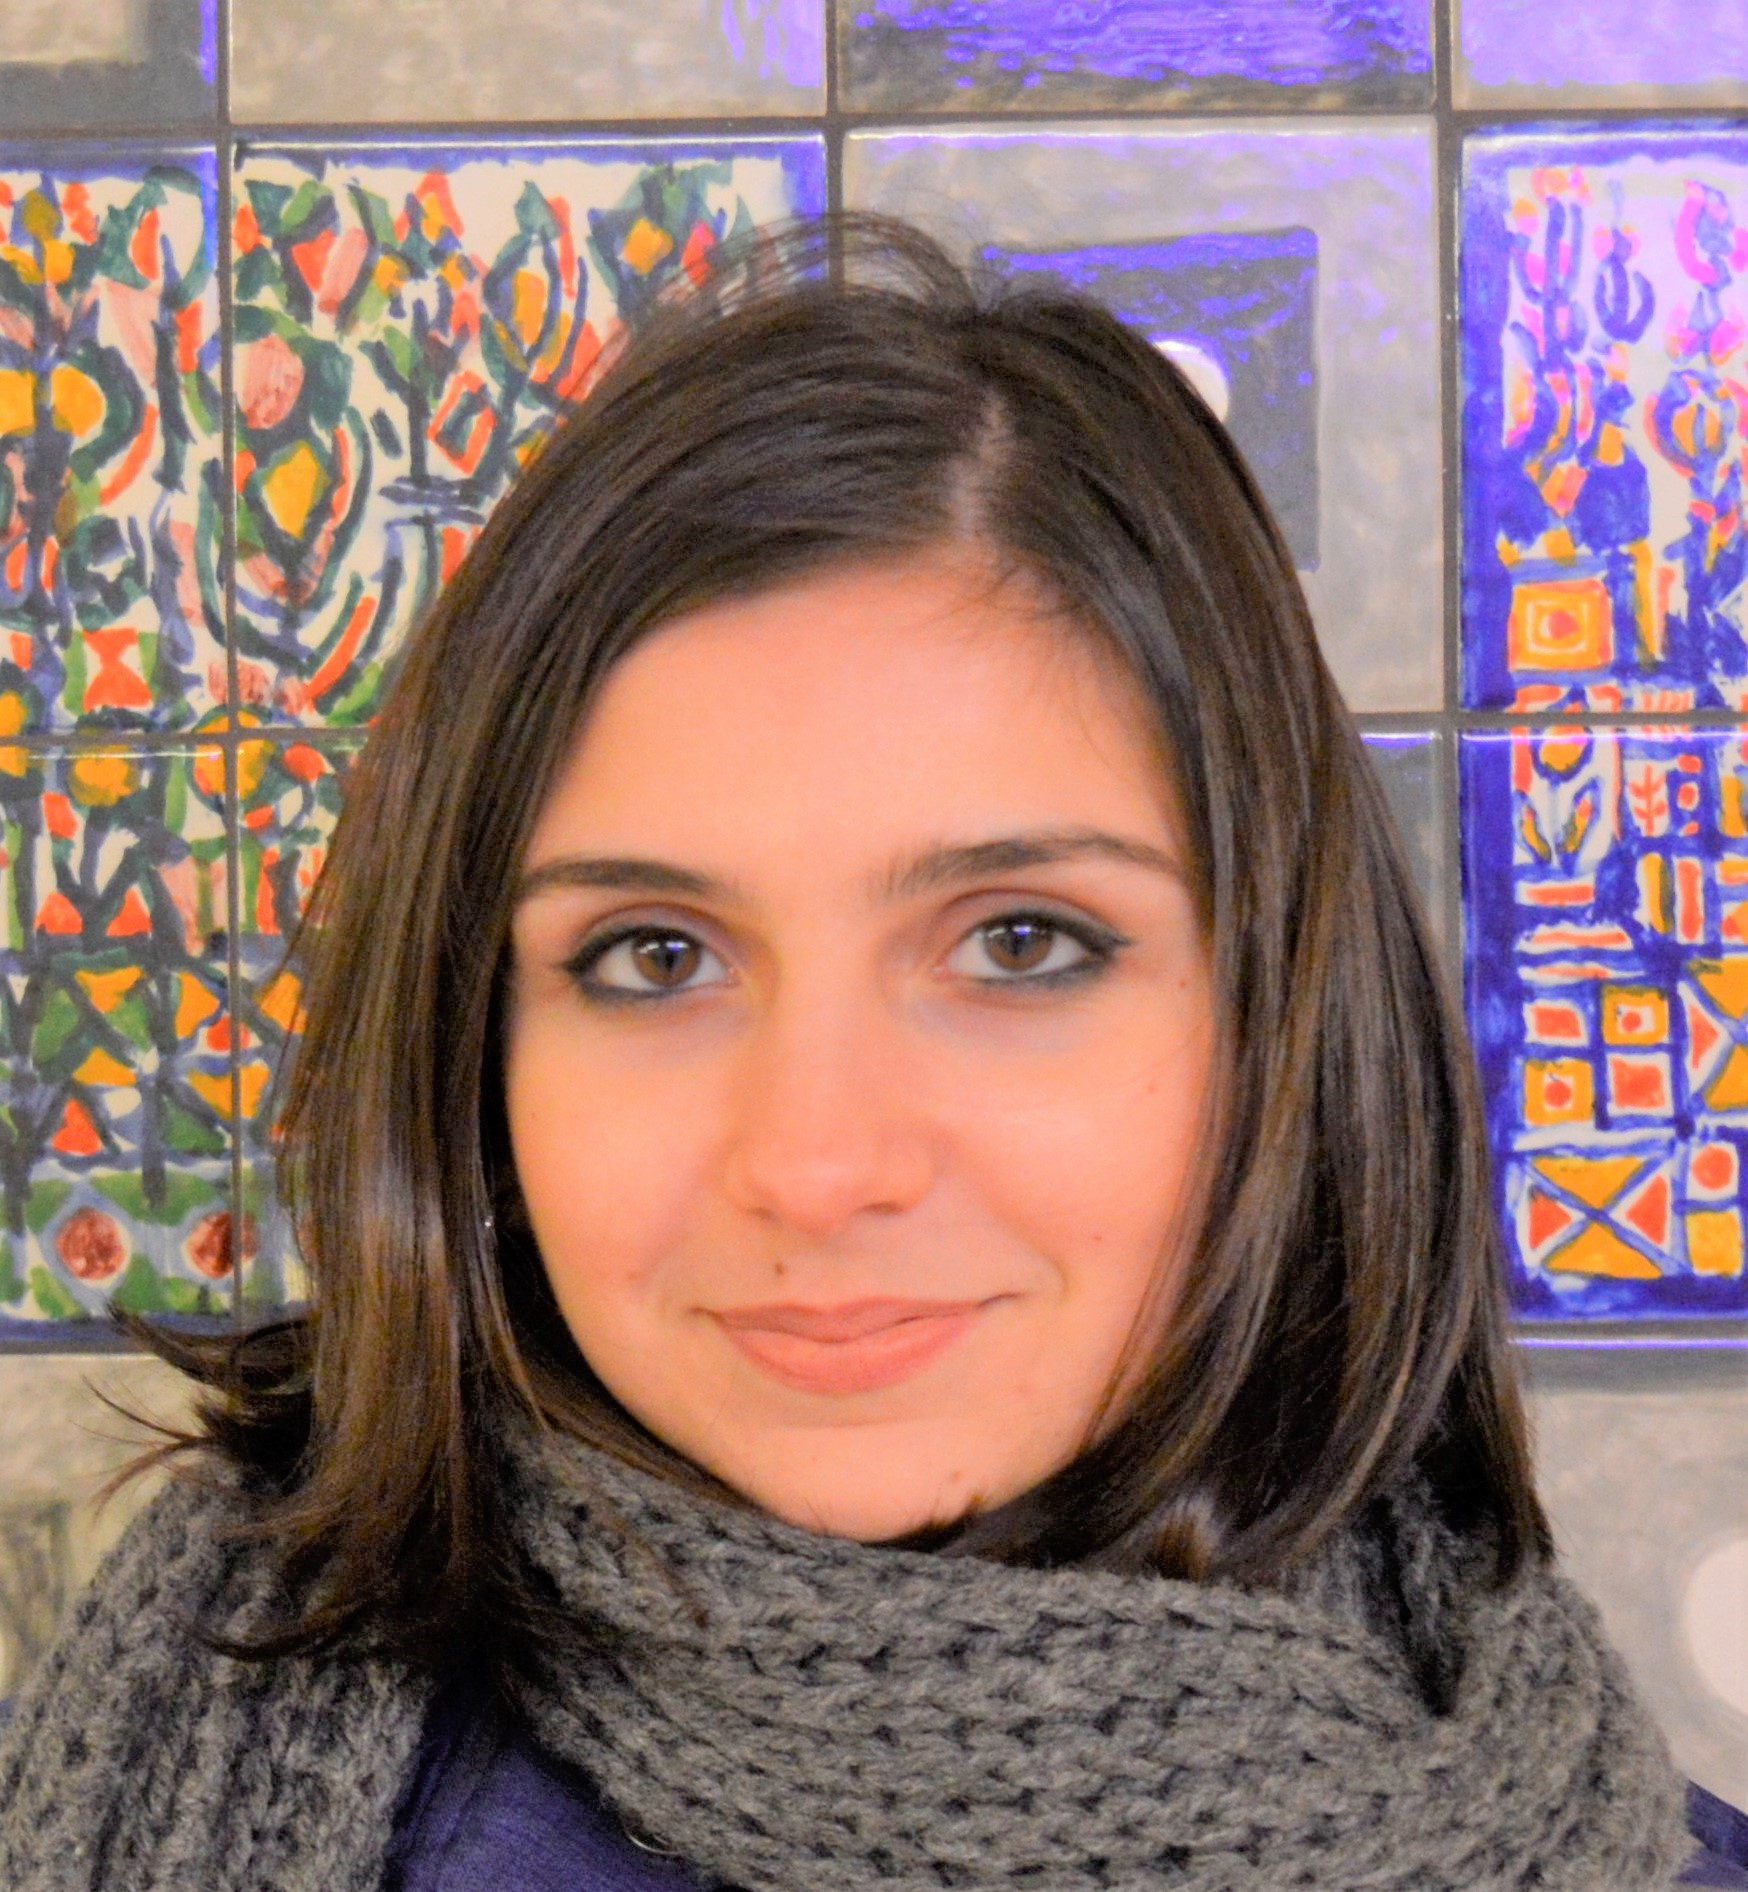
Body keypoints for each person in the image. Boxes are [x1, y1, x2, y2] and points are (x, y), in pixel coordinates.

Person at [0, 214, 1739, 1892]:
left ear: (1292, 1013)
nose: (818, 1164)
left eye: (1021, 943)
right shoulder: (172, 1784)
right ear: (475, 1064)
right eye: (655, 957)